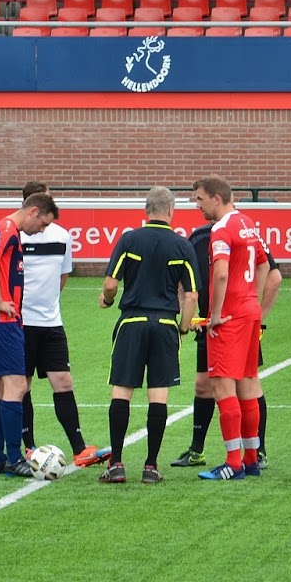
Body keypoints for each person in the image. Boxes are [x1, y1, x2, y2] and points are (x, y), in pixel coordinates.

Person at [96, 186, 198, 484]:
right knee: (158, 395)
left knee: (122, 391)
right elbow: (191, 296)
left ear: (146, 210)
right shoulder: (182, 246)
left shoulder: (129, 239)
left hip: (132, 322)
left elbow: (111, 284)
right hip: (165, 323)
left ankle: (116, 464)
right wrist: (182, 327)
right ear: (171, 211)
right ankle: (151, 467)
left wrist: (107, 300)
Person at [170, 229, 281, 470]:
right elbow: (182, 281)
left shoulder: (246, 234)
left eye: (201, 198)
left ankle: (256, 451)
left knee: (247, 385)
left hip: (238, 324)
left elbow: (274, 277)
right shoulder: (197, 239)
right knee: (203, 385)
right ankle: (196, 450)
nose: (198, 205)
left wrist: (257, 319)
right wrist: (189, 315)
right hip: (209, 325)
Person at [16, 181, 108, 469]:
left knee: (63, 382)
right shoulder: (14, 235)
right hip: (20, 323)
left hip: (51, 323)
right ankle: (28, 447)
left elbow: (63, 275)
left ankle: (80, 449)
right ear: (30, 205)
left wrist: (48, 304)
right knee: (22, 385)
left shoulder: (62, 236)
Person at [191, 175, 270, 481]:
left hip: (231, 317)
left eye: (200, 199)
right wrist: (254, 298)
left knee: (222, 386)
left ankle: (233, 462)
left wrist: (216, 315)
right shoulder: (248, 222)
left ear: (216, 198)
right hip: (249, 312)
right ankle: (251, 459)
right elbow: (263, 265)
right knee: (248, 383)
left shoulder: (221, 229)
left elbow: (221, 274)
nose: (197, 205)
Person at [0, 191, 58, 478]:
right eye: (44, 224)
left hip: (0, 318)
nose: (42, 230)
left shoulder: (8, 230)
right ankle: (13, 458)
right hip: (0, 317)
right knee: (17, 386)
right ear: (34, 211)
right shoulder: (6, 229)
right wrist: (0, 300)